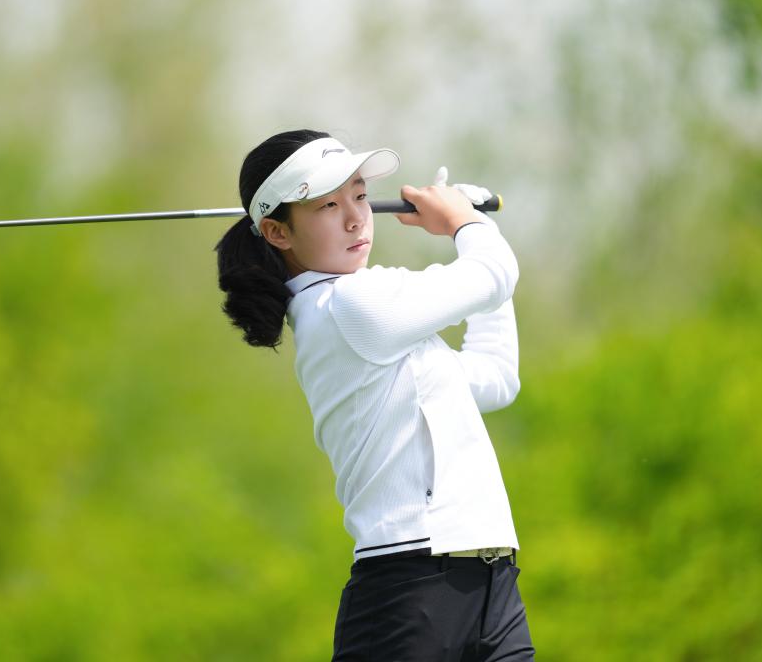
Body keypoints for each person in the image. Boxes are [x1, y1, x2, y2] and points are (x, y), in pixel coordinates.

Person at [215, 129, 535, 661]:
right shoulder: (352, 306)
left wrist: (477, 227)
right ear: (277, 232)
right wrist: (465, 223)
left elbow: (495, 376)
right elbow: (493, 273)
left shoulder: (357, 316)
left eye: (360, 196)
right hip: (408, 592)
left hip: (489, 581)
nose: (355, 218)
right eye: (328, 205)